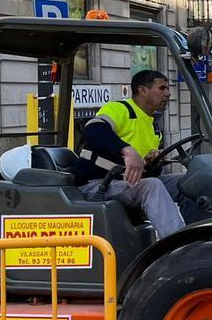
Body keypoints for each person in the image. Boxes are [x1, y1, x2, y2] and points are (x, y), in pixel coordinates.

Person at [74, 70, 186, 238]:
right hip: (98, 184)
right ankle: (179, 246)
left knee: (189, 182)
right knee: (152, 186)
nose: (168, 94)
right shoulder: (121, 109)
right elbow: (93, 128)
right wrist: (127, 150)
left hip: (126, 184)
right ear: (143, 90)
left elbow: (146, 174)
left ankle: (203, 238)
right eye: (162, 88)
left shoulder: (154, 128)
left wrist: (151, 164)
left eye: (168, 89)